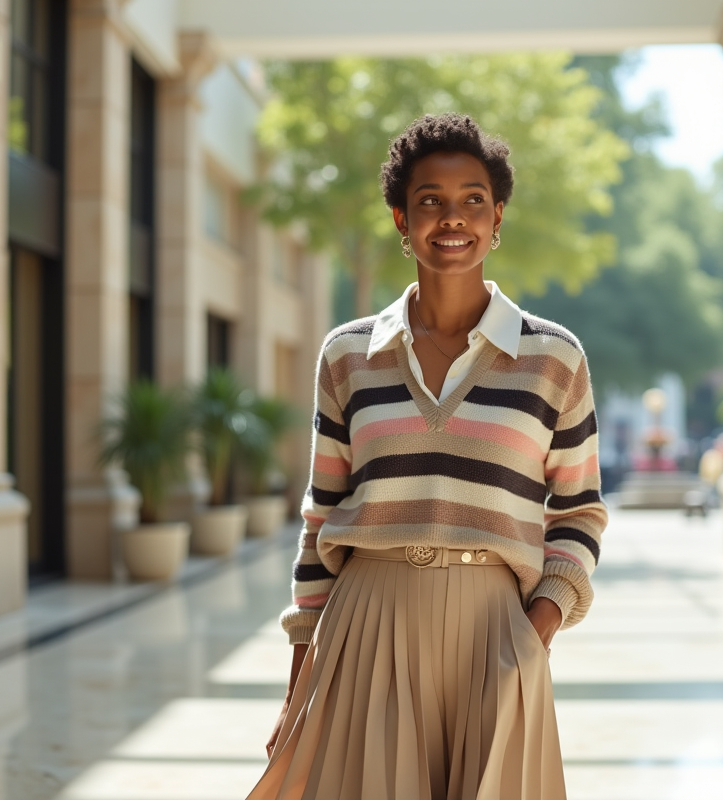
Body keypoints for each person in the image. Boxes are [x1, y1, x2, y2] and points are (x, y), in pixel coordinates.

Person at [246, 113, 608, 800]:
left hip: (496, 629)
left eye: (473, 199)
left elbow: (580, 514)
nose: (453, 218)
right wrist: (298, 684)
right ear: (400, 219)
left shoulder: (553, 358)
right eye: (430, 201)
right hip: (366, 622)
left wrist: (537, 629)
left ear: (497, 219)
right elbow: (320, 516)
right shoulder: (347, 354)